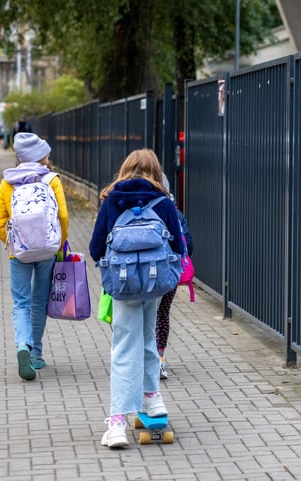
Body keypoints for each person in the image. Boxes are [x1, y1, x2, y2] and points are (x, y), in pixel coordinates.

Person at [89, 149, 184, 448]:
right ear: (156, 171)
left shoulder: (112, 201)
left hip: (123, 283)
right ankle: (153, 400)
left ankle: (117, 423)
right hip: (155, 284)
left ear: (125, 168)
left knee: (123, 348)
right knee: (146, 340)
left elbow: (95, 248)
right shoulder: (163, 202)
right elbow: (180, 246)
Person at [0, 133, 69, 381]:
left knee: (21, 302)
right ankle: (36, 353)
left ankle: (22, 345)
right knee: (39, 301)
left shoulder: (7, 183)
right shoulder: (52, 180)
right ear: (40, 156)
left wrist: (12, 242)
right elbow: (63, 217)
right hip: (47, 250)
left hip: (20, 252)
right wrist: (59, 245)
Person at [155, 173, 194, 380]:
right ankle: (159, 360)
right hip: (167, 273)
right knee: (162, 314)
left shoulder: (125, 203)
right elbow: (187, 242)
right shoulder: (172, 210)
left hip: (133, 273)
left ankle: (140, 360)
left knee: (137, 316)